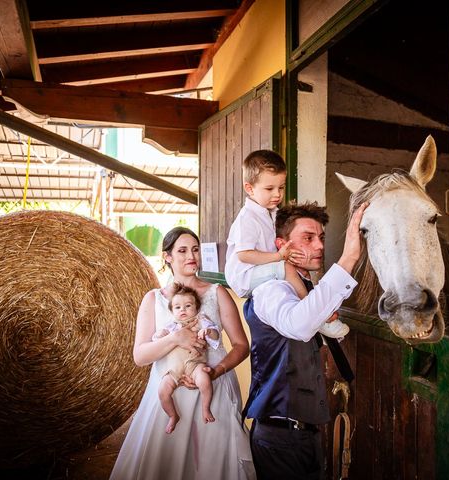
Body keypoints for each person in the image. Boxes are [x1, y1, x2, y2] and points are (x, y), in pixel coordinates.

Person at [110, 227, 256, 480]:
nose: (192, 256)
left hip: (213, 387)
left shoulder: (217, 293)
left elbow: (241, 345)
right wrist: (175, 338)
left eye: (196, 249)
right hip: (170, 388)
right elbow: (141, 356)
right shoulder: (153, 299)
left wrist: (216, 371)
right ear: (167, 257)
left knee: (213, 462)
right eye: (182, 250)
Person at [242, 200, 368, 480]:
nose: (320, 246)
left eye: (321, 238)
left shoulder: (307, 290)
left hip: (304, 435)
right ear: (281, 245)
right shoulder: (271, 289)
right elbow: (298, 326)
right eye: (308, 238)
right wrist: (348, 258)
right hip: (279, 437)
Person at [225, 149, 349, 339]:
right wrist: (278, 257)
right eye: (269, 189)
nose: (277, 194)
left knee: (286, 267)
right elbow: (244, 255)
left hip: (261, 269)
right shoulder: (247, 218)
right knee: (286, 268)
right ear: (249, 188)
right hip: (244, 276)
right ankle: (316, 313)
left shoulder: (272, 212)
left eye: (281, 188)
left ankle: (315, 311)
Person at [152, 282, 220, 433]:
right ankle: (172, 415)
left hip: (195, 364)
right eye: (177, 307)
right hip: (174, 368)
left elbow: (215, 334)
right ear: (172, 311)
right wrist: (160, 335)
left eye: (188, 305)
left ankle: (205, 408)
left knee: (204, 380)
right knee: (163, 391)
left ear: (196, 308)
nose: (182, 309)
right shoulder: (172, 326)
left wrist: (208, 332)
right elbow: (157, 340)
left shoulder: (201, 320)